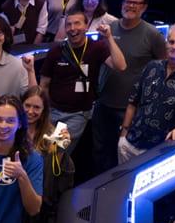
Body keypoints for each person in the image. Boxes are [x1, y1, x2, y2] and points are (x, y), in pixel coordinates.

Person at [88, 0, 167, 173]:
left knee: (120, 153)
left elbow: (162, 68)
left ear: (144, 7)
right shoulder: (111, 28)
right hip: (103, 102)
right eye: (127, 2)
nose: (130, 6)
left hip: (129, 107)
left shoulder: (152, 34)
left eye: (136, 3)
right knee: (99, 151)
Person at [120, 21, 175, 163]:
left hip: (159, 152)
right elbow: (133, 101)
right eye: (171, 41)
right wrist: (124, 133)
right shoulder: (152, 66)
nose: (174, 46)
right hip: (130, 143)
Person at [43, 10, 125, 153]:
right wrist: (44, 112)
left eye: (77, 23)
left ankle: (51, 174)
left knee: (55, 150)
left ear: (86, 26)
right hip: (53, 112)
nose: (72, 28)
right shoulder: (56, 51)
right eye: (68, 25)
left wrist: (109, 38)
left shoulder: (97, 47)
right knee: (46, 152)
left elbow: (121, 66)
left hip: (77, 114)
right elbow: (44, 85)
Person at [18, 88, 73, 223]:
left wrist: (62, 146)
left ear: (44, 110)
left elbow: (60, 167)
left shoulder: (54, 133)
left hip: (38, 200)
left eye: (36, 107)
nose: (31, 111)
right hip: (12, 197)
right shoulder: (11, 127)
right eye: (27, 105)